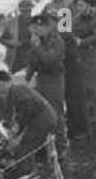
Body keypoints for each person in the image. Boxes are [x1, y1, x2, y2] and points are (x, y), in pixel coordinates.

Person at [0, 70, 59, 166]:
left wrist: (18, 129)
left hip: (42, 121)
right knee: (33, 145)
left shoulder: (17, 91)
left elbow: (26, 108)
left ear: (2, 83)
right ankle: (42, 165)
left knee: (24, 148)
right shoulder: (17, 91)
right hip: (47, 118)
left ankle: (26, 172)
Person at [24, 13, 67, 151]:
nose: (37, 30)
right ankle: (44, 145)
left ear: (48, 27)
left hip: (54, 79)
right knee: (41, 111)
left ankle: (61, 145)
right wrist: (27, 79)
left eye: (40, 27)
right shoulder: (37, 41)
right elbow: (32, 61)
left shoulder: (57, 41)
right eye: (35, 27)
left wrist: (37, 47)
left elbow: (50, 60)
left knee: (56, 111)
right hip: (41, 78)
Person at [71, 0, 96, 129]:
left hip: (91, 55)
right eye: (78, 5)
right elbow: (67, 32)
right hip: (79, 56)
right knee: (82, 88)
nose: (79, 8)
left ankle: (94, 117)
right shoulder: (75, 19)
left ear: (89, 6)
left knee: (91, 87)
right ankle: (85, 118)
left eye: (82, 5)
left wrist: (82, 41)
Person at [0, 0, 34, 72]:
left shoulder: (36, 23)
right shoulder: (12, 23)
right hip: (15, 59)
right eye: (24, 11)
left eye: (28, 10)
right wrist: (11, 43)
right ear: (20, 11)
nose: (27, 13)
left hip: (32, 58)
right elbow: (2, 39)